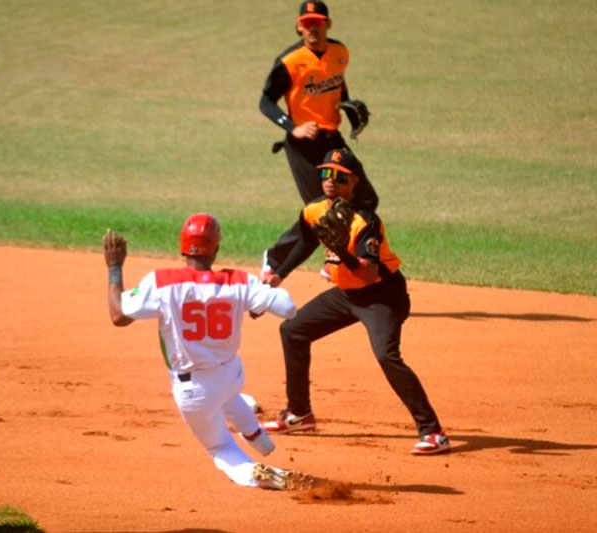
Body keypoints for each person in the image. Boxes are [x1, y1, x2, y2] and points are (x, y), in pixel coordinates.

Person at [260, 149, 450, 455]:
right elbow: (307, 241)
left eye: (340, 176)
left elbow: (369, 273)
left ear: (354, 182)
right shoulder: (314, 210)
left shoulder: (366, 221)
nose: (331, 181)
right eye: (326, 174)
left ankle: (434, 433)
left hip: (382, 296)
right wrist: (280, 274)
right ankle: (299, 414)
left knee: (387, 356)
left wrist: (344, 253)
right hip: (347, 294)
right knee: (293, 331)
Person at [103, 214, 313, 490]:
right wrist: (262, 295)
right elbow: (288, 308)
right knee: (229, 397)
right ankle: (260, 440)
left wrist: (115, 267)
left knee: (220, 446)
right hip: (230, 374)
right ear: (216, 247)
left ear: (182, 246)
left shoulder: (162, 283)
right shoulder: (239, 281)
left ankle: (254, 473)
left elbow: (118, 315)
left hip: (194, 391)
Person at [260, 0, 378, 275]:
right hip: (302, 144)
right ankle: (276, 259)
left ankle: (340, 255)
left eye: (318, 22)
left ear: (328, 24)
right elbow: (265, 101)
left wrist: (349, 111)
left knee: (366, 198)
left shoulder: (340, 51)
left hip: (331, 139)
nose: (313, 27)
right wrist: (292, 128)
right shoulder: (289, 62)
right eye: (307, 23)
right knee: (321, 209)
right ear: (299, 27)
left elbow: (338, 83)